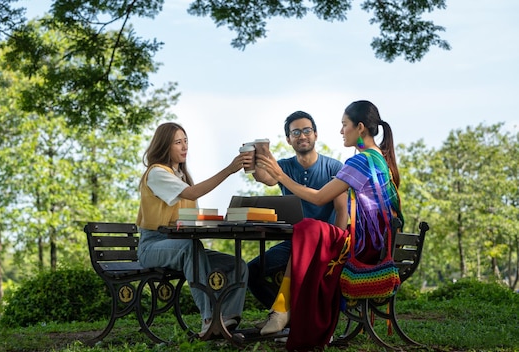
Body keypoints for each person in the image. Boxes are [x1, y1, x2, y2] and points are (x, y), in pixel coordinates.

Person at [255, 100, 404, 350]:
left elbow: (319, 197)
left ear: (359, 128)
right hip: (379, 243)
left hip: (367, 247)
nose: (341, 131)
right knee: (310, 230)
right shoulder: (378, 157)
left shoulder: (360, 160)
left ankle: (283, 310)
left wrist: (281, 177)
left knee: (309, 228)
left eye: (344, 125)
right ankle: (284, 310)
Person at [135, 122, 253, 338]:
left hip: (178, 244)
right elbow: (191, 193)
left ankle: (226, 319)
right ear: (164, 146)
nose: (184, 147)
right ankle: (209, 320)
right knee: (191, 248)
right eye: (178, 142)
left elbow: (189, 218)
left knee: (237, 265)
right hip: (152, 247)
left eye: (186, 141)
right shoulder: (157, 173)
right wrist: (229, 170)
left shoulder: (179, 175)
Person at [248, 111, 349, 312]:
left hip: (324, 244)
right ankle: (286, 317)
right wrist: (252, 160)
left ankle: (303, 316)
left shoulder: (334, 167)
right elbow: (265, 178)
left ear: (315, 134)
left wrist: (335, 250)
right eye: (296, 132)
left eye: (306, 130)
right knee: (250, 271)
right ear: (288, 139)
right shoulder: (283, 167)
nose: (302, 136)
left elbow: (341, 211)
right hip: (292, 243)